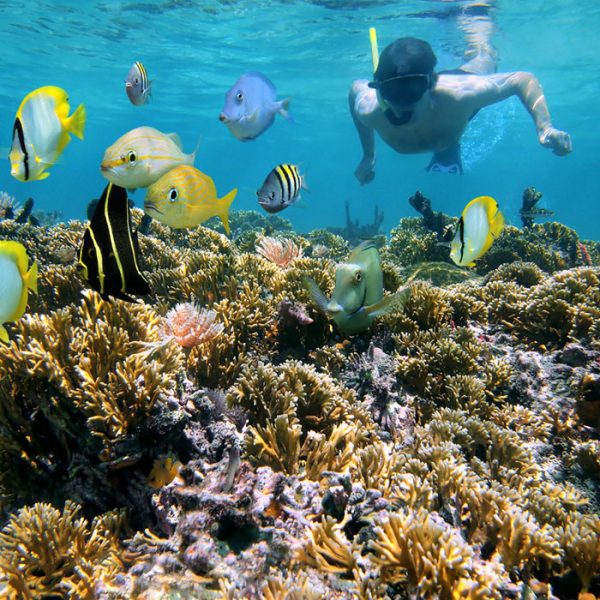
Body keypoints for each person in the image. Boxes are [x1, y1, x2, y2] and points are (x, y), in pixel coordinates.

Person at [349, 5, 572, 183]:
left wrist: (545, 127)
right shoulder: (370, 110)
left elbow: (521, 79)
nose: (403, 102)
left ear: (430, 83)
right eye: (392, 91)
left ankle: (477, 27)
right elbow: (356, 88)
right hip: (440, 110)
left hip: (455, 89)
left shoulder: (461, 95)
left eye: (413, 89)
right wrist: (368, 154)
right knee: (444, 140)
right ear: (379, 89)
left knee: (484, 57)